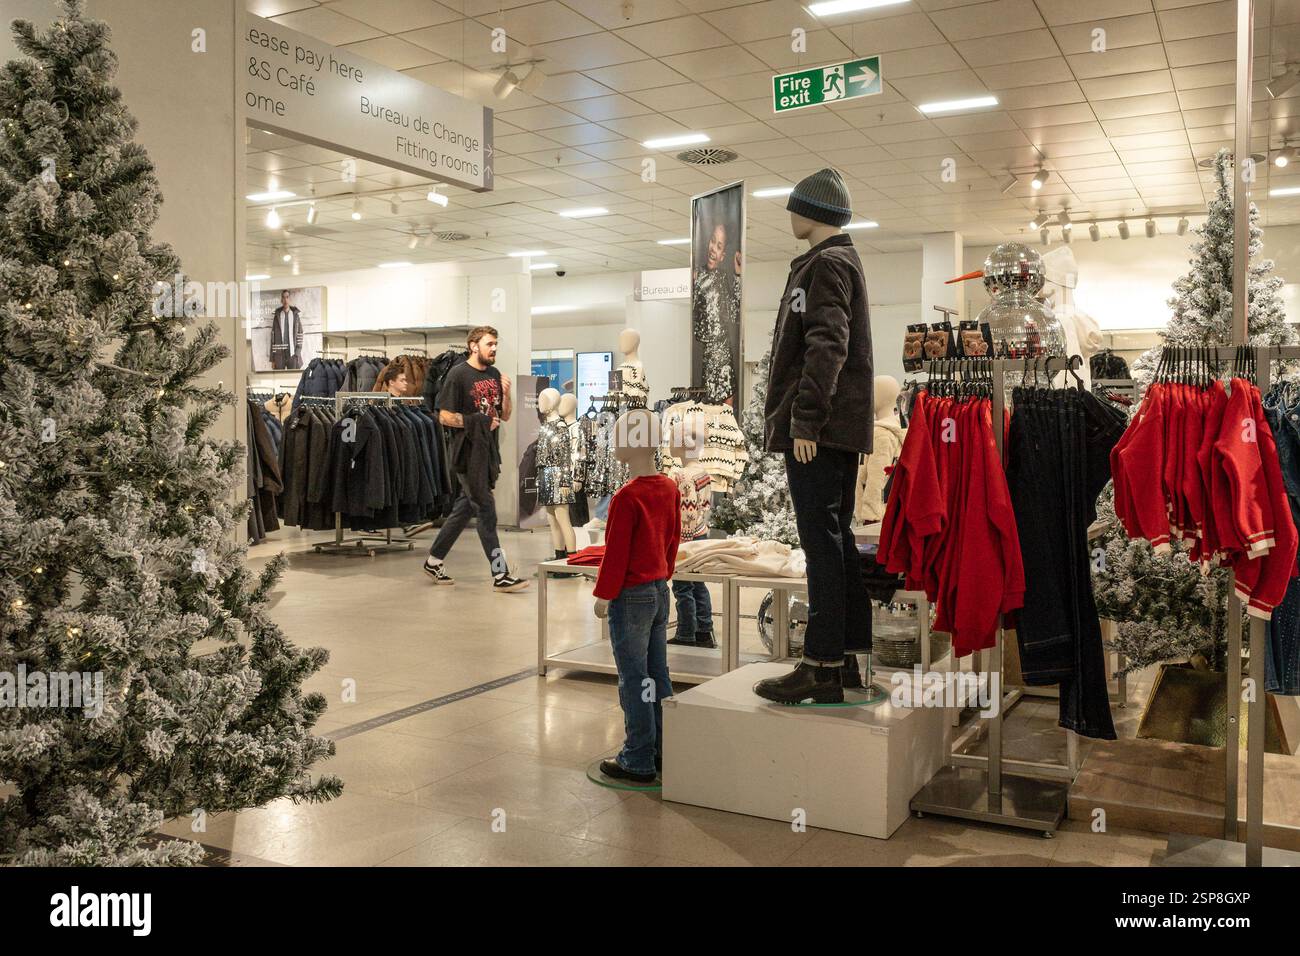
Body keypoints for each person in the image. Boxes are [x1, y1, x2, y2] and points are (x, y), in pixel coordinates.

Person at [422, 326, 529, 592]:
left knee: (465, 508)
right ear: (473, 345)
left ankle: (433, 560)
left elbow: (503, 416)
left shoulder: (493, 375)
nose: (493, 349)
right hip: (466, 454)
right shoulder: (458, 375)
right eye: (489, 344)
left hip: (488, 453)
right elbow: (444, 416)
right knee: (486, 510)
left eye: (496, 345)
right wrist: (476, 421)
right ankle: (500, 574)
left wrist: (507, 393)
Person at [692, 218, 741, 404]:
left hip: (724, 356)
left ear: (722, 255)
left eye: (719, 246)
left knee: (726, 412)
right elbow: (696, 324)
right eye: (713, 241)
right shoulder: (696, 276)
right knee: (709, 411)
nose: (713, 248)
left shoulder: (722, 279)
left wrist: (738, 276)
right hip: (707, 356)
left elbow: (735, 315)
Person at [269, 289, 303, 371]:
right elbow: (273, 338)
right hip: (279, 355)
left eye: (287, 297)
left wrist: (297, 352)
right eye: (283, 297)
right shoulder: (277, 316)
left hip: (292, 354)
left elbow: (300, 334)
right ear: (281, 300)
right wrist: (273, 359)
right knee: (279, 380)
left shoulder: (295, 315)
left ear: (289, 299)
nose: (285, 300)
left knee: (293, 380)